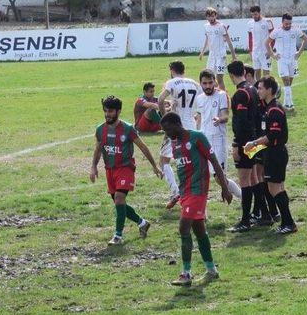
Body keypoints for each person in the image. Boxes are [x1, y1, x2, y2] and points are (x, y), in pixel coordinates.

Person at [161, 112, 233, 286]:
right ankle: (211, 270)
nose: (167, 133)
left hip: (198, 191)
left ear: (178, 124)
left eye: (168, 129)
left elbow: (215, 162)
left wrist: (225, 188)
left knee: (183, 226)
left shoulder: (197, 138)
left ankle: (186, 274)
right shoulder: (175, 144)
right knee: (199, 230)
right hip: (186, 193)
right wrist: (177, 196)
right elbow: (182, 173)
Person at [90, 96, 163, 245]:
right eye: (105, 111)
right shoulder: (100, 130)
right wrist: (93, 166)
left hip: (125, 168)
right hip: (109, 170)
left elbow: (142, 146)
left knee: (119, 198)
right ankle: (142, 223)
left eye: (110, 111)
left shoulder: (128, 129)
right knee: (119, 203)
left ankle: (118, 235)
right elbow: (98, 149)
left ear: (118, 111)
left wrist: (155, 166)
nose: (107, 114)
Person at [245, 77, 297, 234]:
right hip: (274, 153)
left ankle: (289, 223)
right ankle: (287, 222)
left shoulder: (274, 110)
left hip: (275, 154)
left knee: (274, 188)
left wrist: (253, 144)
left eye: (260, 88)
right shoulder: (270, 108)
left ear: (269, 90)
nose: (258, 91)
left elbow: (272, 136)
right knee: (278, 187)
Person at [158, 60, 203, 209]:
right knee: (190, 161)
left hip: (175, 126)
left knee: (164, 160)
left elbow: (160, 99)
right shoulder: (194, 83)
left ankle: (176, 192)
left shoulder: (171, 82)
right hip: (191, 125)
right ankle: (194, 194)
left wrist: (165, 118)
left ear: (172, 70)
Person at [195, 69, 242, 198]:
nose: (208, 86)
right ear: (201, 84)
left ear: (215, 81)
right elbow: (199, 117)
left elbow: (226, 115)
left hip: (217, 139)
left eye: (210, 82)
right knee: (201, 175)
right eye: (205, 83)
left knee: (219, 176)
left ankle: (243, 197)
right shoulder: (199, 98)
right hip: (204, 140)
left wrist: (219, 119)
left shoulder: (221, 95)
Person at [226, 61, 259, 233]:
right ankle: (260, 213)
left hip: (245, 142)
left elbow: (241, 121)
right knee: (254, 177)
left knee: (245, 179)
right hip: (254, 139)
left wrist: (236, 144)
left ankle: (246, 220)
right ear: (245, 71)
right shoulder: (253, 89)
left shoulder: (240, 93)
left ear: (231, 75)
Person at [266, 13, 307, 111]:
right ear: (282, 22)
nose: (288, 25)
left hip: (293, 59)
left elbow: (306, 39)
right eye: (286, 24)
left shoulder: (295, 30)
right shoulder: (276, 31)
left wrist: (299, 52)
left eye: (289, 23)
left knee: (290, 82)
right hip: (282, 59)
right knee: (286, 80)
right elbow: (267, 43)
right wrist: (273, 55)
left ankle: (287, 103)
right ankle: (289, 104)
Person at [199, 7, 237, 93]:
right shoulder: (206, 26)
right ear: (206, 17)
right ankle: (219, 93)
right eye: (209, 16)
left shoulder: (221, 26)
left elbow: (228, 40)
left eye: (213, 16)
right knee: (210, 77)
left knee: (219, 78)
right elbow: (207, 39)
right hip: (212, 56)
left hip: (221, 55)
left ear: (215, 15)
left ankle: (224, 97)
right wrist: (202, 52)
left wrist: (233, 55)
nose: (211, 18)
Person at [247, 5, 274, 80]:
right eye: (252, 15)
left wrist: (270, 50)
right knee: (256, 72)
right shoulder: (250, 23)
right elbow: (250, 38)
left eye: (255, 14)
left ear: (259, 13)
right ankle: (258, 90)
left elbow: (273, 37)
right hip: (255, 51)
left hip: (265, 51)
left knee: (266, 73)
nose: (254, 16)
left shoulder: (267, 21)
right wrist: (250, 50)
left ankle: (267, 89)